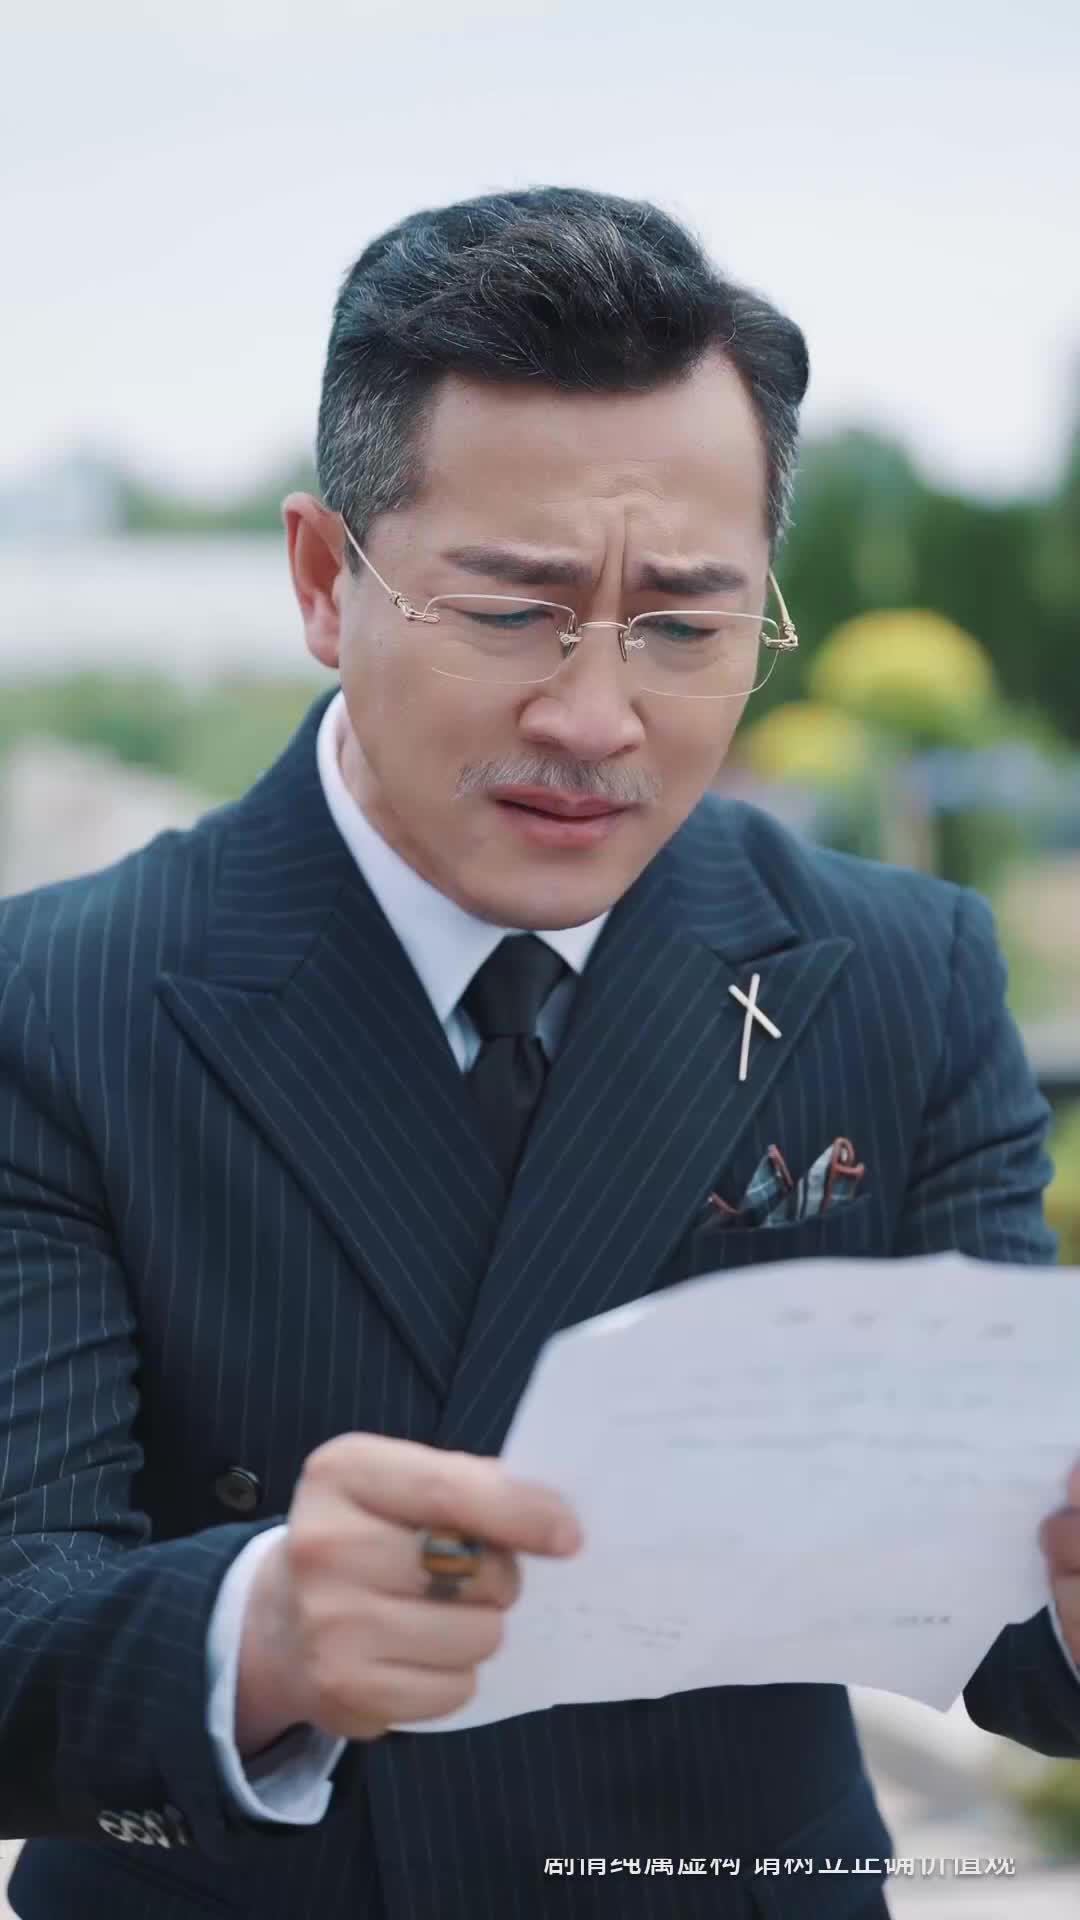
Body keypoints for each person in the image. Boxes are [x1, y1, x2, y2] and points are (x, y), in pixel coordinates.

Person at [1, 185, 1079, 1920]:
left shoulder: (901, 972)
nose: (596, 718)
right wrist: (258, 1632)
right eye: (511, 612)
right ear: (322, 580)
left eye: (686, 625)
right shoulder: (58, 1000)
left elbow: (1004, 1620)